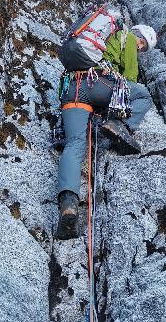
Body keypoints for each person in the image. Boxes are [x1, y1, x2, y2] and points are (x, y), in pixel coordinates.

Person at [56, 23, 157, 239]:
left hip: (72, 88)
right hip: (98, 83)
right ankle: (121, 126)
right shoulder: (127, 36)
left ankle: (68, 204)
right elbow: (129, 78)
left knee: (74, 144)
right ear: (138, 37)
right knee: (143, 95)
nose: (139, 49)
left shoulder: (100, 41)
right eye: (142, 45)